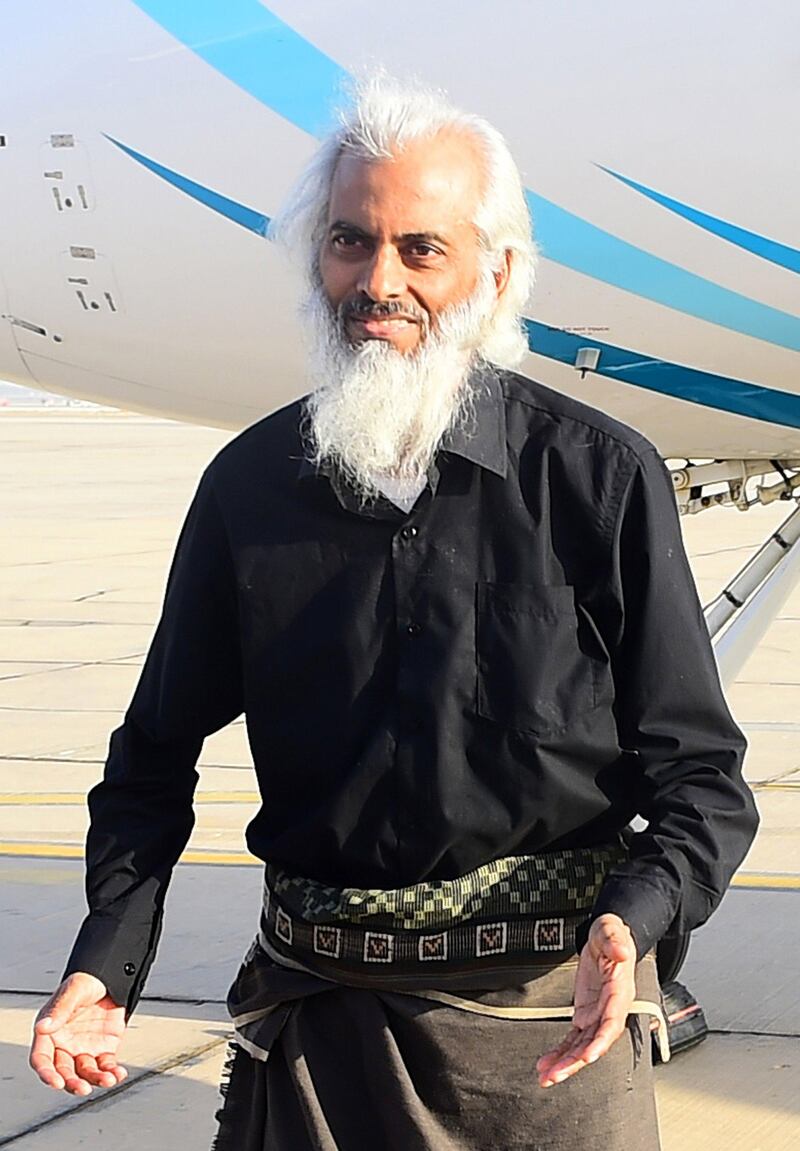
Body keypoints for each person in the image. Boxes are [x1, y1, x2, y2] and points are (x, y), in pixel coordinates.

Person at [29, 75, 758, 1150]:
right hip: (321, 1031)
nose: (376, 281)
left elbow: (701, 778)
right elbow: (151, 757)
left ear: (495, 272)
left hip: (551, 1032)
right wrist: (106, 955)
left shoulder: (596, 478)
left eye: (420, 248)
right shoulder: (247, 487)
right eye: (347, 241)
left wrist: (634, 918)